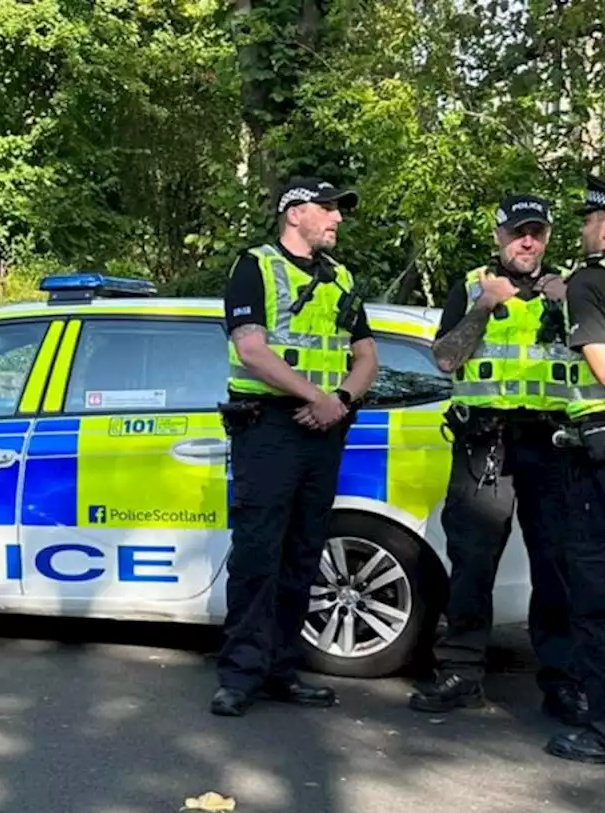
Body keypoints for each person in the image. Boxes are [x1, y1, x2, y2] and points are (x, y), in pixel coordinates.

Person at [408, 195, 585, 724]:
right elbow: (444, 358)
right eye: (517, 232)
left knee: (557, 568)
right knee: (472, 565)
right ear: (499, 235)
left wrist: (568, 305)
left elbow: (598, 359)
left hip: (553, 444)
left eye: (536, 233)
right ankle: (461, 672)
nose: (526, 242)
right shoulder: (470, 286)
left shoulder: (575, 289)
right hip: (484, 444)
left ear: (549, 238)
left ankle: (563, 683)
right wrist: (485, 304)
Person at [212, 177, 380, 717]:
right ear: (294, 213)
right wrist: (318, 397)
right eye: (328, 209)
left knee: (303, 555)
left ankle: (283, 669)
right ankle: (240, 675)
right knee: (259, 553)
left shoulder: (342, 277)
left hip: (325, 426)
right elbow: (251, 350)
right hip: (270, 427)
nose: (337, 219)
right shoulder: (254, 266)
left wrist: (340, 400)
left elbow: (367, 357)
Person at [545, 174, 605, 767]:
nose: (583, 229)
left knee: (602, 594)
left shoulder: (595, 280)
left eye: (587, 220)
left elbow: (604, 366)